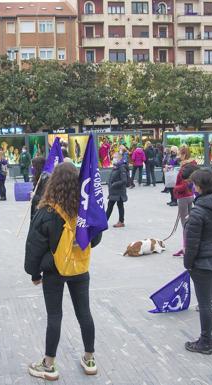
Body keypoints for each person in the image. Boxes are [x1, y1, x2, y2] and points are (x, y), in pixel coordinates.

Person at [24, 162, 102, 381]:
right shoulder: (85, 209)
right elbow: (95, 239)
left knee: (54, 316)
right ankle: (89, 358)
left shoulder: (46, 210)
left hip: (53, 270)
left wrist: (34, 273)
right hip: (79, 268)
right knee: (84, 312)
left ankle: (49, 365)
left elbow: (34, 246)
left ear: (53, 182)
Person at [183, 169, 212, 355]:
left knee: (204, 304)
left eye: (194, 184)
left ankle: (205, 342)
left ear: (200, 187)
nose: (193, 187)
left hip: (204, 263)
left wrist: (188, 263)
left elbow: (192, 244)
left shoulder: (199, 210)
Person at [173, 145, 198, 257]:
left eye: (179, 154)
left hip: (183, 196)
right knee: (188, 222)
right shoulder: (192, 165)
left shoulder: (185, 167)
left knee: (185, 224)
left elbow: (184, 183)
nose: (178, 156)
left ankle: (186, 248)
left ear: (183, 154)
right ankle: (187, 247)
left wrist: (175, 189)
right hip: (190, 195)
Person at [106, 153, 128, 228]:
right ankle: (106, 221)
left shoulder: (121, 167)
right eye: (113, 157)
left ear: (119, 158)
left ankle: (120, 221)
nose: (113, 159)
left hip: (119, 192)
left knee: (116, 205)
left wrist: (114, 184)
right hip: (114, 192)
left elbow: (124, 180)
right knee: (111, 206)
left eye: (115, 157)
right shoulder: (115, 167)